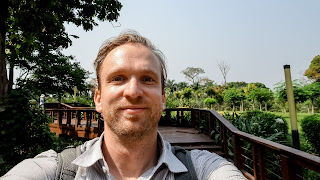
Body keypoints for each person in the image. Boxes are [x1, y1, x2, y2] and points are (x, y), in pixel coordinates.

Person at [1, 30, 246, 180]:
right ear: (98, 98)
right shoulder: (56, 171)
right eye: (118, 78)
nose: (133, 91)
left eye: (147, 79)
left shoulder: (204, 171)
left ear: (163, 98)